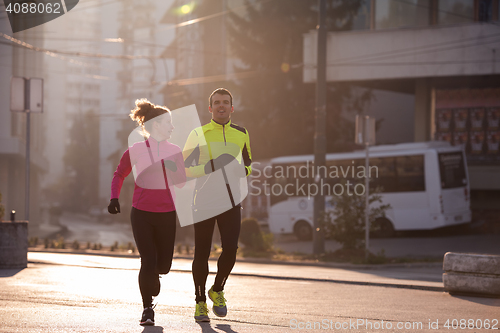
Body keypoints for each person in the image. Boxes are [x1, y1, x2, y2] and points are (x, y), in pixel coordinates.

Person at [107, 99, 186, 326]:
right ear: (157, 125)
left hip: (167, 213)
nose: (172, 127)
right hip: (141, 213)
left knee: (163, 265)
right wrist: (114, 197)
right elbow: (119, 174)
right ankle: (147, 308)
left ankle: (155, 275)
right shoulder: (137, 150)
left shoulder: (175, 150)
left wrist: (172, 168)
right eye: (169, 122)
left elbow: (181, 183)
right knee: (147, 260)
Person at [183, 88, 252, 322]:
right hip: (203, 200)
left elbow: (249, 163)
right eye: (217, 103)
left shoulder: (242, 133)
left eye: (225, 102)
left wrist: (240, 170)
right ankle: (200, 302)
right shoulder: (198, 134)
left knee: (231, 249)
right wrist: (207, 168)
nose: (221, 106)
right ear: (210, 108)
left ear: (232, 108)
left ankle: (218, 289)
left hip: (231, 200)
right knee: (201, 252)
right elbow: (183, 169)